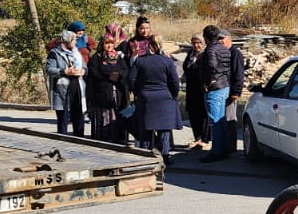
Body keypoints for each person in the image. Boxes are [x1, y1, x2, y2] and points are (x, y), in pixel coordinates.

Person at [128, 35, 184, 165]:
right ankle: (165, 156)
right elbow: (174, 81)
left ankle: (147, 156)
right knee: (164, 129)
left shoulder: (140, 61)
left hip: (146, 98)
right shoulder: (167, 61)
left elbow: (131, 79)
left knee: (146, 129)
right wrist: (173, 94)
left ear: (149, 45)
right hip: (165, 97)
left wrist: (137, 93)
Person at [86, 26, 130, 143]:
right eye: (106, 43)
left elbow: (125, 70)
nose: (109, 46)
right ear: (102, 44)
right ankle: (103, 139)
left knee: (118, 116)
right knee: (104, 117)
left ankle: (118, 138)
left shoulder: (118, 57)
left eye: (111, 43)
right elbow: (93, 73)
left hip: (118, 93)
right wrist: (107, 76)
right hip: (102, 94)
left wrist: (119, 75)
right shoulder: (97, 58)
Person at [199, 26, 234, 163]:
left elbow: (212, 66)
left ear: (205, 37)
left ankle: (216, 151)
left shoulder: (211, 49)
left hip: (214, 88)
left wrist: (207, 82)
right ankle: (223, 149)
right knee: (221, 120)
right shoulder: (224, 49)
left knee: (214, 121)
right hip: (224, 85)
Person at [45, 27, 87, 136]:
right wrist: (65, 71)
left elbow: (85, 67)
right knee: (63, 117)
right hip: (62, 89)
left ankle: (80, 138)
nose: (76, 42)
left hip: (77, 87)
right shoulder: (55, 53)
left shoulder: (76, 52)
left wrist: (82, 71)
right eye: (74, 40)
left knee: (79, 114)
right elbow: (49, 69)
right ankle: (62, 139)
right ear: (68, 40)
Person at [181, 34, 212, 150]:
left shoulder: (206, 54)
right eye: (194, 43)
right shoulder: (190, 53)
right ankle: (197, 138)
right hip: (191, 89)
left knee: (203, 114)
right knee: (193, 114)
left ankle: (205, 139)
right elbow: (186, 67)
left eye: (199, 42)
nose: (196, 45)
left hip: (202, 88)